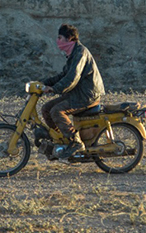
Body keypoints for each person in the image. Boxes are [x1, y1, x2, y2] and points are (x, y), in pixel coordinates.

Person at [41, 24, 105, 159]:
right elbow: (64, 75)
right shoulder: (73, 53)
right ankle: (61, 141)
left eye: (60, 38)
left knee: (57, 111)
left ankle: (76, 142)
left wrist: (55, 88)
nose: (57, 41)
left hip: (87, 95)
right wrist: (44, 82)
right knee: (46, 108)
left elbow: (72, 77)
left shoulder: (80, 53)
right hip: (77, 93)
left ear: (69, 38)